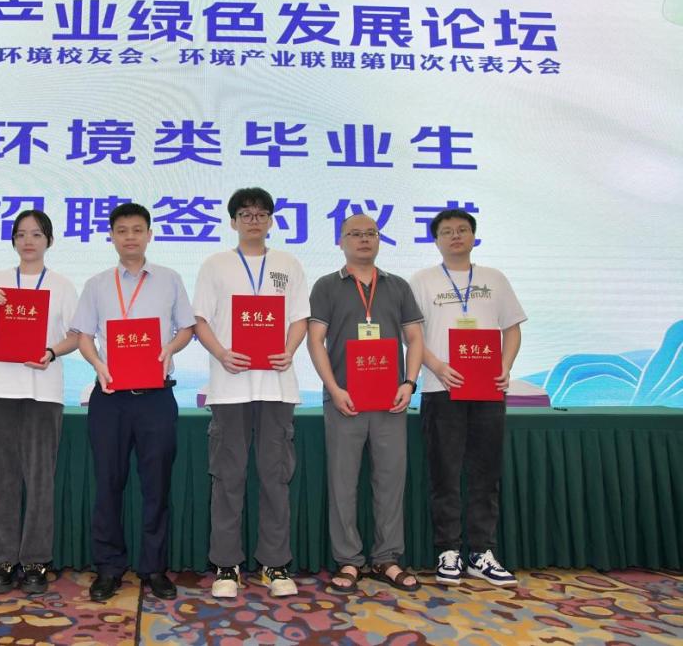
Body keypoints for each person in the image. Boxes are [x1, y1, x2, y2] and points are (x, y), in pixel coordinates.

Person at [70, 202, 195, 602]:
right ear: (111, 236)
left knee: (157, 485)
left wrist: (168, 348)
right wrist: (98, 364)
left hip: (156, 397)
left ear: (149, 234)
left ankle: (154, 568)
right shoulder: (97, 284)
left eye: (137, 229)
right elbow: (84, 336)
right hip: (110, 397)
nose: (130, 237)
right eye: (122, 230)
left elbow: (187, 328)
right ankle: (108, 568)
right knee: (108, 483)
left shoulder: (170, 279)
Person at [191, 187, 310, 599]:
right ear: (233, 221)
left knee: (275, 477)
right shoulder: (216, 265)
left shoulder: (288, 264)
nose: (253, 220)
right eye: (245, 214)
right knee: (228, 478)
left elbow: (300, 318)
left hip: (277, 386)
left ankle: (275, 564)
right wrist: (222, 353)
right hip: (229, 388)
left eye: (261, 213)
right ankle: (226, 564)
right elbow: (201, 320)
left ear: (271, 220)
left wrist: (289, 350)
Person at [307, 213, 424, 593]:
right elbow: (315, 341)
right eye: (355, 234)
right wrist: (333, 388)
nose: (364, 239)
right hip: (346, 401)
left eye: (371, 233)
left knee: (390, 482)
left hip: (390, 401)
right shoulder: (327, 286)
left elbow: (415, 338)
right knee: (343, 484)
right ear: (341, 241)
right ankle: (348, 560)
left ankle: (387, 558)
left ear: (379, 239)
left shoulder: (398, 286)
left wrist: (409, 382)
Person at [409, 209, 526, 587]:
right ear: (436, 240)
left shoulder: (494, 278)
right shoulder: (422, 281)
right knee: (444, 474)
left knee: (485, 474)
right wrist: (438, 367)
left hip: (488, 390)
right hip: (440, 389)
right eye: (447, 231)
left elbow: (512, 330)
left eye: (462, 230)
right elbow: (412, 337)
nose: (455, 236)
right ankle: (448, 550)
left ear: (474, 236)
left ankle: (481, 553)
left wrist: (504, 367)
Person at [0, 210, 79, 595]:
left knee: (39, 478)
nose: (28, 241)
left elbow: (75, 337)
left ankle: (35, 560)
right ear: (13, 241)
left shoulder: (62, 285)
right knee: (2, 478)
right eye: (21, 234)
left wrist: (51, 351)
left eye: (36, 234)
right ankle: (2, 560)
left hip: (43, 392)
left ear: (49, 240)